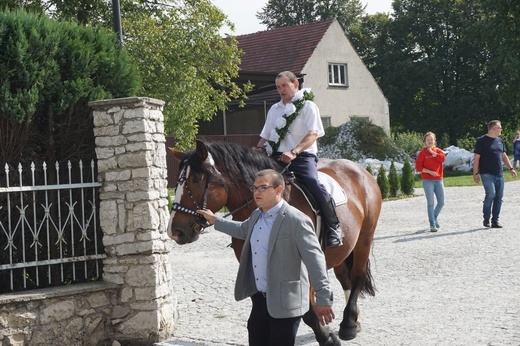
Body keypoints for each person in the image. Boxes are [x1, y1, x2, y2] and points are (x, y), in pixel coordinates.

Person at [197, 169, 335, 346]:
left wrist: (323, 298)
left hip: (285, 302)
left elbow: (315, 261)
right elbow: (242, 230)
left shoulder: (296, 220)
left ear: (278, 190)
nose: (256, 192)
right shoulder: (257, 215)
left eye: (263, 187)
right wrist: (215, 220)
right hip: (260, 299)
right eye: (255, 188)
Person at [252, 70, 342, 248]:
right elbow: (265, 135)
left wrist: (294, 151)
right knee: (257, 184)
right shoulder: (274, 109)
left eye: (285, 85)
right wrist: (259, 147)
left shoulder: (307, 106)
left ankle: (334, 226)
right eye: (278, 87)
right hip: (276, 158)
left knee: (312, 182)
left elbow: (313, 134)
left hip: (302, 157)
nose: (281, 90)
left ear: (296, 85)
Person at [473, 120, 517, 228]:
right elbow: (476, 158)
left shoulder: (500, 140)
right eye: (499, 128)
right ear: (493, 129)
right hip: (487, 173)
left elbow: (504, 155)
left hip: (499, 173)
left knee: (499, 197)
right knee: (491, 194)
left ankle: (495, 220)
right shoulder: (481, 141)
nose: (501, 129)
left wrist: (511, 168)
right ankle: (486, 218)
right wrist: (475, 173)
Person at [415, 132, 446, 232]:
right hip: (428, 180)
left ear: (434, 141)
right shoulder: (422, 153)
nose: (430, 141)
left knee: (441, 202)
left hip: (439, 180)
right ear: (425, 141)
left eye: (431, 139)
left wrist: (433, 153)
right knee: (431, 203)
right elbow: (418, 167)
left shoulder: (438, 151)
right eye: (428, 140)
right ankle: (432, 224)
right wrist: (429, 171)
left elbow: (442, 159)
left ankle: (434, 217)